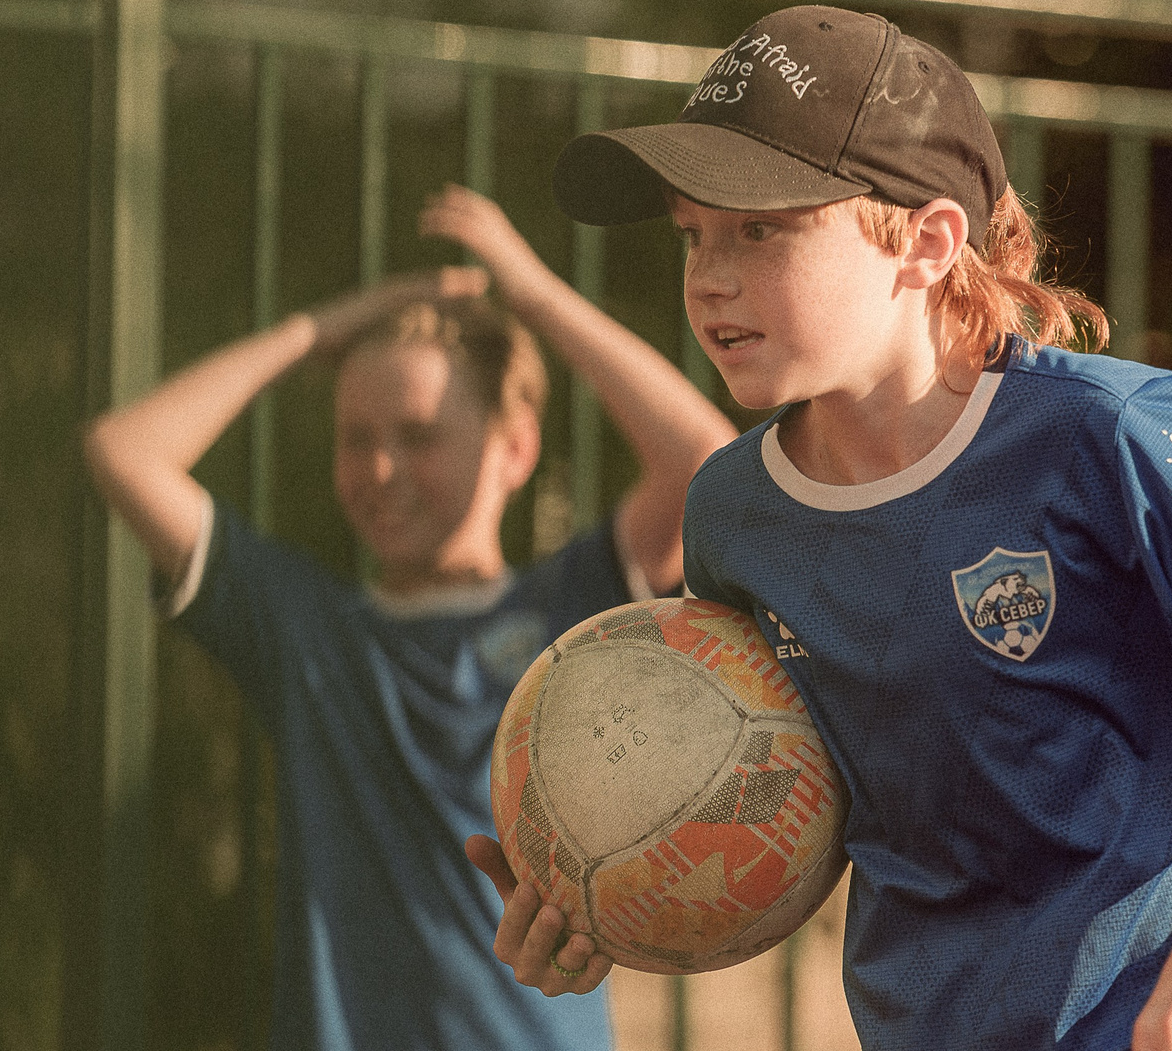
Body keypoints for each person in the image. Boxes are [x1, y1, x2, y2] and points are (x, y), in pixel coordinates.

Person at [468, 6, 1172, 1051]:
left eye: (761, 226)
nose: (708, 274)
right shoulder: (736, 513)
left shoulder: (1112, 437)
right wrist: (625, 883)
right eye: (690, 232)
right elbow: (782, 796)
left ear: (925, 242)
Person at [87, 184, 734, 1051]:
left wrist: (532, 295)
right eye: (358, 436)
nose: (382, 467)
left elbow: (708, 465)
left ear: (515, 447)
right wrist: (326, 327)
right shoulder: (307, 631)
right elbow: (124, 450)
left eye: (420, 433)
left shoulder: (575, 612)